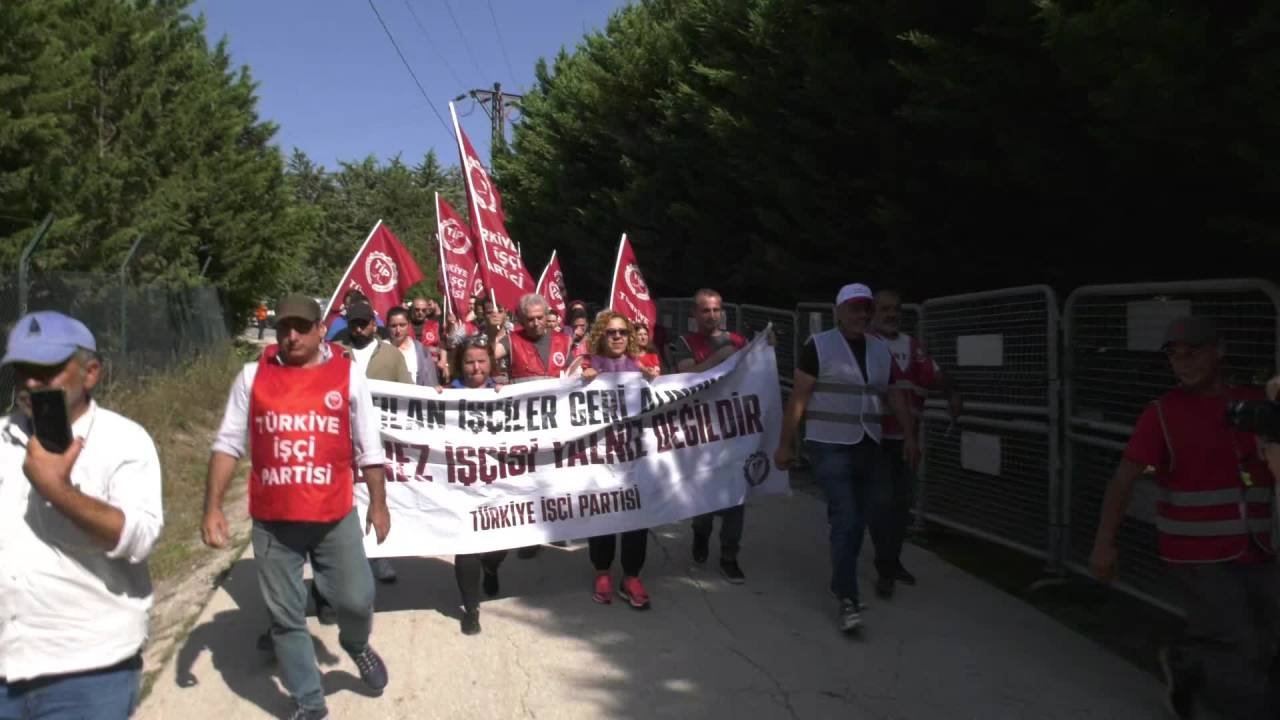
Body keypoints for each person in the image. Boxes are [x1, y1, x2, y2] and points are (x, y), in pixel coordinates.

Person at [203, 293, 391, 720]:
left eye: (301, 327)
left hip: (333, 515)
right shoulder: (252, 377)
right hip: (274, 522)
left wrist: (378, 505)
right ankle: (310, 701)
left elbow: (369, 447)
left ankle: (356, 644)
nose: (291, 336)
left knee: (358, 599)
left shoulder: (347, 377)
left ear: (321, 329)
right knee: (286, 618)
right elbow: (228, 444)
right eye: (284, 327)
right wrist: (212, 507)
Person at [1089, 316, 1279, 720]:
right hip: (1195, 553)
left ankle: (1185, 663)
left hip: (1257, 547)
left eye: (1193, 353)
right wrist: (1104, 542)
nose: (1183, 363)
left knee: (1264, 635)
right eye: (1175, 356)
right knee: (1238, 641)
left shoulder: (1254, 406)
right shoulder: (1162, 414)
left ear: (1219, 351)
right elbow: (1124, 479)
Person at [0, 312, 163, 720]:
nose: (31, 384)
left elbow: (140, 538)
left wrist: (59, 491)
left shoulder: (124, 440)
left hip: (88, 670)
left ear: (90, 373)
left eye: (47, 370)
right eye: (22, 371)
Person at [773, 283, 918, 635]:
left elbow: (895, 396)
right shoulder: (819, 346)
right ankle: (847, 597)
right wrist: (785, 445)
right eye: (855, 308)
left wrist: (910, 436)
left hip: (870, 445)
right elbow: (799, 399)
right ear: (838, 311)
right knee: (848, 519)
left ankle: (844, 580)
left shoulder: (880, 349)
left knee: (870, 511)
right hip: (829, 445)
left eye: (866, 309)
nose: (862, 315)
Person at [868, 289, 962, 598]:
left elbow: (935, 375)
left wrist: (953, 393)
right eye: (884, 309)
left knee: (901, 503)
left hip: (907, 440)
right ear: (873, 312)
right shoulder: (865, 344)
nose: (890, 314)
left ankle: (892, 560)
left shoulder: (911, 346)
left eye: (895, 309)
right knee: (881, 501)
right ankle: (884, 566)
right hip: (875, 437)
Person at [580, 312, 661, 609]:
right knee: (602, 511)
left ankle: (631, 575)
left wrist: (654, 381)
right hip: (599, 456)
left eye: (623, 333)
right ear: (601, 335)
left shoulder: (640, 367)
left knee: (635, 513)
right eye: (611, 332)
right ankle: (602, 571)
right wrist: (582, 380)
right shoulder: (588, 366)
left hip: (633, 455)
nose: (617, 337)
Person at [670, 288, 750, 583]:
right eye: (706, 310)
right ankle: (700, 534)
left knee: (735, 495)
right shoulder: (685, 343)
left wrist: (764, 348)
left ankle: (730, 555)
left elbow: (755, 370)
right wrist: (722, 357)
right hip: (701, 433)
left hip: (733, 430)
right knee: (704, 497)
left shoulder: (738, 341)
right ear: (695, 314)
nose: (712, 315)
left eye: (716, 309)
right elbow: (688, 375)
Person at [493, 293, 574, 558]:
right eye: (531, 319)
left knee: (558, 478)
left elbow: (580, 369)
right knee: (529, 481)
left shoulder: (566, 340)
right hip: (525, 427)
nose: (537, 323)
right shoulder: (510, 340)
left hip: (558, 425)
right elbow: (490, 357)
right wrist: (494, 333)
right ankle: (530, 536)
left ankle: (559, 530)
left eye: (541, 318)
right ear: (521, 319)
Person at [440, 336, 510, 635]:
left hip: (498, 481)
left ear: (490, 363)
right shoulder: (447, 395)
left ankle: (492, 567)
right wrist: (436, 398)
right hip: (462, 482)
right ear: (461, 365)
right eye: (469, 362)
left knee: (501, 545)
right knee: (466, 546)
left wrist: (507, 396)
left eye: (481, 361)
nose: (476, 367)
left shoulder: (502, 391)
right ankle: (471, 608)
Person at [338, 300, 410, 585]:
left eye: (364, 323)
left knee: (378, 496)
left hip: (381, 438)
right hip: (344, 437)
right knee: (349, 498)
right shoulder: (337, 353)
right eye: (354, 323)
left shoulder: (391, 355)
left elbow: (408, 393)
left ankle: (382, 557)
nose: (359, 328)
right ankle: (353, 559)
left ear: (373, 323)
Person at [387, 306, 440, 387]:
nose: (398, 330)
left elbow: (431, 381)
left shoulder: (421, 350)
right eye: (393, 326)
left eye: (402, 325)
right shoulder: (381, 348)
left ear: (408, 325)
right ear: (387, 326)